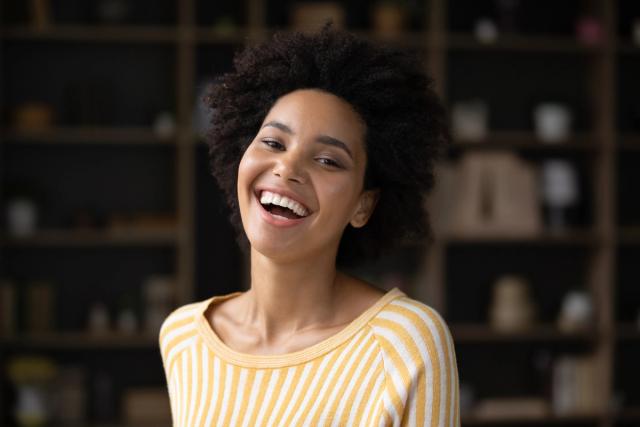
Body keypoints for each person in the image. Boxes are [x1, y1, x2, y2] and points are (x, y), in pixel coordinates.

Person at [159, 22, 460, 426]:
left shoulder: (405, 343)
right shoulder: (183, 338)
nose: (287, 168)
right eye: (273, 142)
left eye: (328, 160)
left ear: (363, 205)